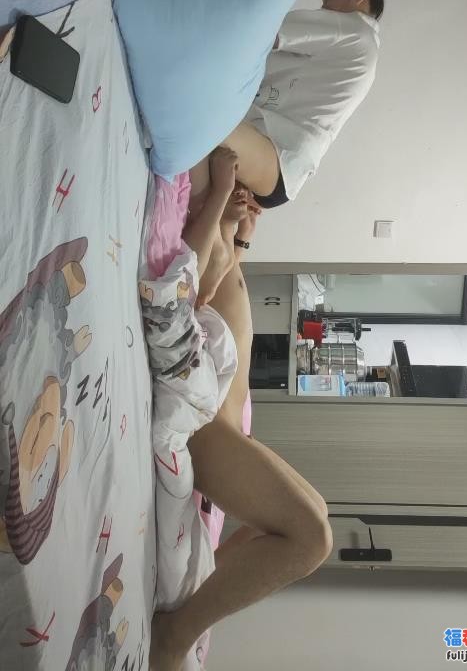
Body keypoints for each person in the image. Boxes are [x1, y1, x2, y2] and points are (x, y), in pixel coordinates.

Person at [150, 149, 332, 671]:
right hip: (216, 427)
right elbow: (209, 286)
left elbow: (204, 289)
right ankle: (180, 629)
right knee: (312, 534)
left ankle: (178, 629)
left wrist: (230, 225)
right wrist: (235, 230)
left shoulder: (205, 206)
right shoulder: (212, 217)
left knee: (315, 525)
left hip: (215, 423)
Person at [189, 0, 384, 302]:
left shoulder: (355, 30)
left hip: (277, 154)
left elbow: (270, 29)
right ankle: (224, 248)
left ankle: (220, 250)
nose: (323, 7)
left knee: (203, 116)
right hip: (279, 167)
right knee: (208, 136)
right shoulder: (362, 49)